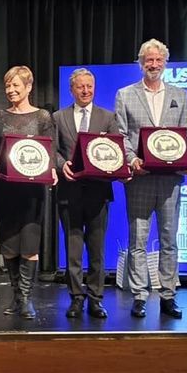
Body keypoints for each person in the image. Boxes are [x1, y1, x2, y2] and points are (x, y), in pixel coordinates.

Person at [115, 38, 187, 319]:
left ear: (165, 63)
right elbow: (121, 135)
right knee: (138, 238)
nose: (153, 64)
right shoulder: (125, 94)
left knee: (169, 239)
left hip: (171, 179)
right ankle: (139, 295)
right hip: (140, 178)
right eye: (148, 60)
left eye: (158, 60)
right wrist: (132, 160)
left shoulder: (180, 94)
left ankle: (168, 295)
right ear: (140, 63)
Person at [0, 65, 57, 319]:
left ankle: (27, 299)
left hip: (32, 191)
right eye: (8, 85)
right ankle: (16, 297)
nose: (11, 90)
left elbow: (49, 151)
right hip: (5, 190)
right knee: (8, 245)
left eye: (16, 85)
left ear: (28, 87)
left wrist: (50, 169)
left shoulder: (42, 117)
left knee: (29, 243)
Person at [54, 68, 118, 319]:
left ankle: (95, 298)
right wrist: (61, 165)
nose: (85, 90)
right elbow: (53, 150)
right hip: (69, 191)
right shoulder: (58, 117)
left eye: (89, 86)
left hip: (98, 192)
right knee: (72, 248)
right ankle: (76, 298)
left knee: (97, 249)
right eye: (80, 86)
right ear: (72, 90)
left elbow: (115, 150)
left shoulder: (108, 117)